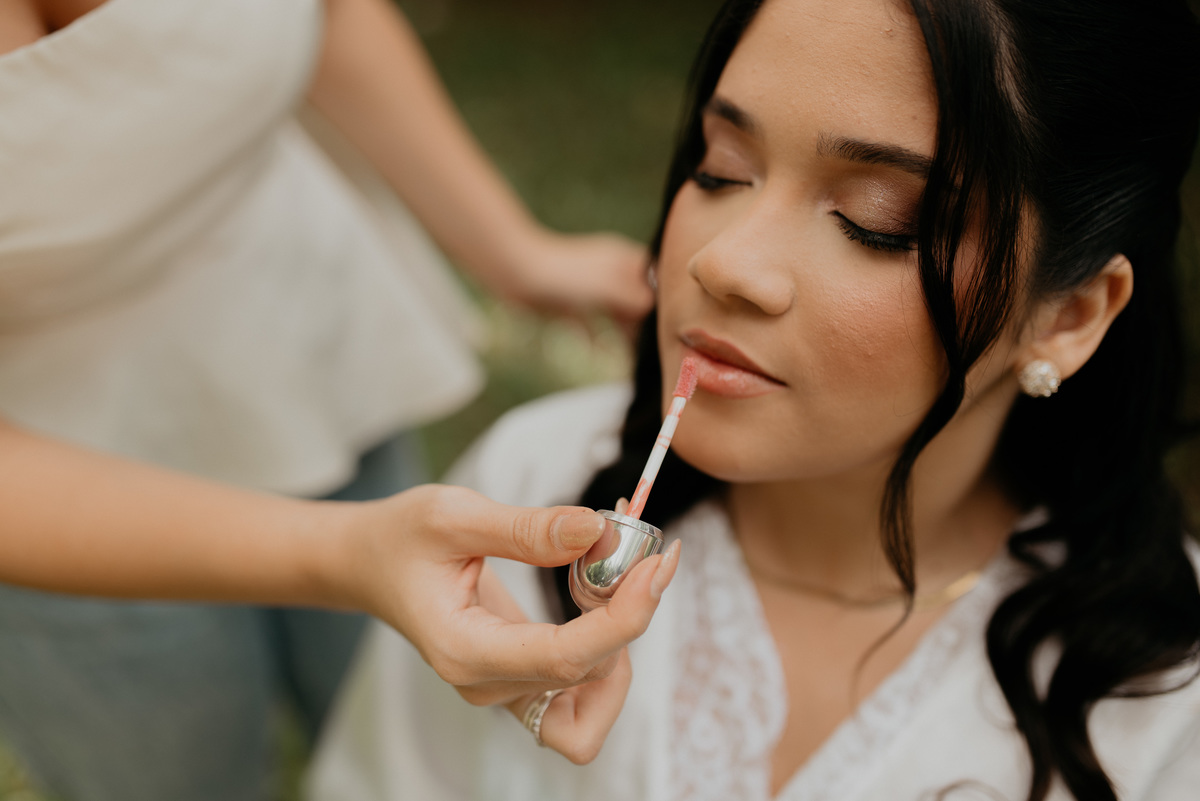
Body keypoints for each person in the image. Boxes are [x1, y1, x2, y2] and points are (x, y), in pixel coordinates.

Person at [307, 0, 1200, 799]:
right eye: (721, 168)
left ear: (1069, 313)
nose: (721, 262)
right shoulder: (529, 491)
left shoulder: (1168, 695)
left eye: (877, 220)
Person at [0, 0, 654, 798]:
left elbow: (325, 12)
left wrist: (513, 250)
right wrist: (352, 553)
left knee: (399, 741)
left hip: (315, 361)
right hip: (58, 488)